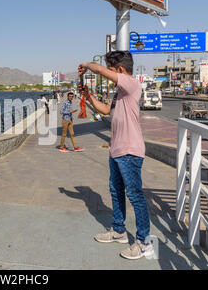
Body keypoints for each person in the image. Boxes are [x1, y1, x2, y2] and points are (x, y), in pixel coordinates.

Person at [78, 50, 153, 260]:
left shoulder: (131, 84)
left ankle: (144, 242)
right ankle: (119, 231)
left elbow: (100, 70)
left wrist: (87, 64)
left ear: (119, 70)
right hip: (117, 150)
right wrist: (88, 96)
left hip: (130, 150)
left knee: (135, 195)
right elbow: (104, 110)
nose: (109, 75)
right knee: (116, 190)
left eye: (111, 71)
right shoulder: (118, 93)